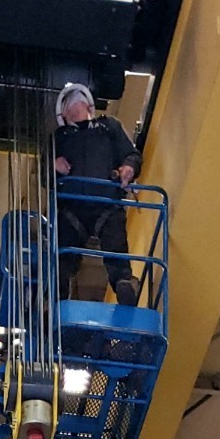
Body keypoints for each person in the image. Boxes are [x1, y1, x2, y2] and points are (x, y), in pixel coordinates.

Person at [52, 82, 141, 305]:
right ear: (63, 114)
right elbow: (44, 177)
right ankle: (54, 294)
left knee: (115, 244)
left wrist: (129, 167)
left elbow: (131, 154)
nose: (75, 106)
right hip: (72, 208)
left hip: (106, 203)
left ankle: (124, 284)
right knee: (63, 254)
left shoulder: (109, 127)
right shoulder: (59, 138)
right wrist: (52, 164)